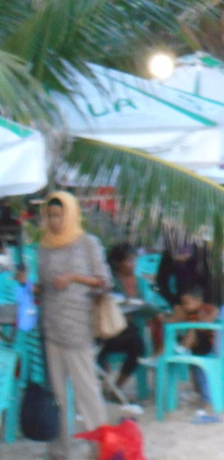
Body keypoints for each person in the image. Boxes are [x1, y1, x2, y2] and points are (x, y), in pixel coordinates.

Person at [37, 192, 111, 460]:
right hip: (51, 326)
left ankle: (100, 447)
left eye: (58, 215)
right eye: (50, 216)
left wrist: (73, 277)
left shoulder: (87, 243)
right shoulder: (44, 246)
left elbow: (104, 280)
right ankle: (60, 448)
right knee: (57, 393)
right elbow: (44, 283)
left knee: (86, 391)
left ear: (69, 214)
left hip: (78, 325)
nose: (54, 221)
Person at [97, 243, 148, 398]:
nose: (133, 265)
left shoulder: (138, 282)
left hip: (124, 328)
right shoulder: (109, 280)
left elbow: (141, 304)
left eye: (134, 261)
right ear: (118, 263)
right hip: (106, 327)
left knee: (138, 345)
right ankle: (103, 385)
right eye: (129, 261)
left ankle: (117, 387)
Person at [166, 284, 220, 402]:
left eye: (187, 303)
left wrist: (207, 320)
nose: (185, 306)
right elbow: (176, 320)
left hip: (205, 343)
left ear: (198, 301)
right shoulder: (190, 313)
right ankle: (182, 349)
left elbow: (216, 310)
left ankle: (183, 349)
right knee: (186, 332)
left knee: (192, 330)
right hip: (197, 345)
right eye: (183, 303)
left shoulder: (203, 308)